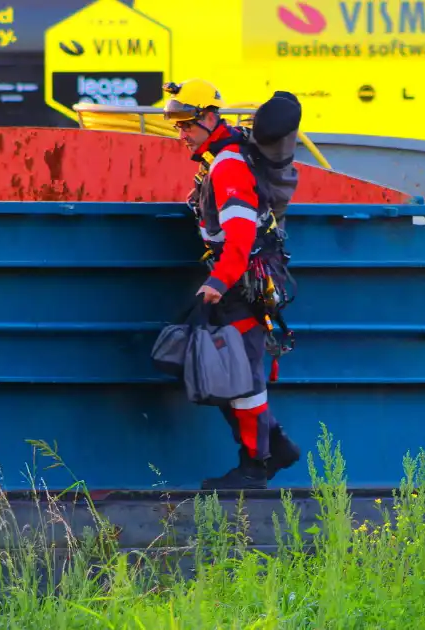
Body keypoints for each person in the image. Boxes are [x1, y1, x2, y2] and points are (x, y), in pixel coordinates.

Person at [161, 78, 302, 490]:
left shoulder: (228, 165)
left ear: (209, 117)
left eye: (187, 124)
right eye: (178, 126)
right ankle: (274, 445)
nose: (181, 134)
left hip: (242, 283)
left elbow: (239, 239)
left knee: (241, 380)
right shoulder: (220, 157)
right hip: (241, 280)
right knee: (232, 374)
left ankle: (255, 466)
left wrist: (216, 285)